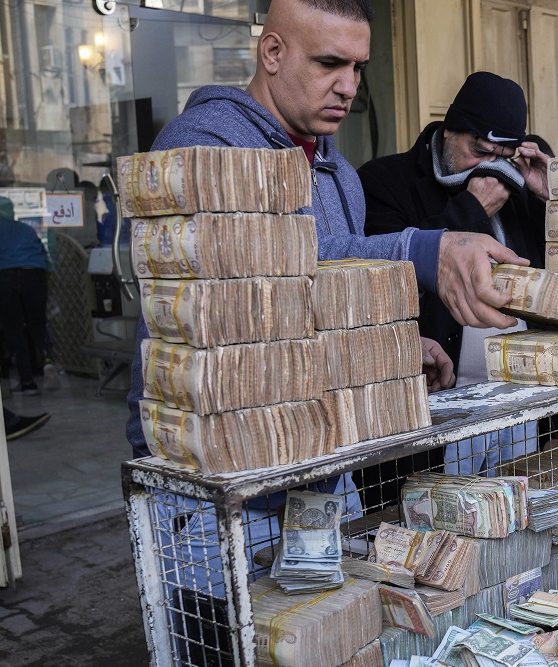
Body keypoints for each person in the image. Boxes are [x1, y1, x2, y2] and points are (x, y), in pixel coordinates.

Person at [125, 0, 528, 460]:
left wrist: (393, 346)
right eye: (330, 63)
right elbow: (256, 274)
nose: (349, 86)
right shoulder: (204, 144)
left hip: (319, 437)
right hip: (210, 444)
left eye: (358, 67)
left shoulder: (342, 175)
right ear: (272, 52)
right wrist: (421, 250)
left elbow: (325, 301)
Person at [358, 71, 550, 475]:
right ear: (448, 132)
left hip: (521, 398)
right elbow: (384, 280)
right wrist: (471, 211)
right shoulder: (383, 181)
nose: (489, 169)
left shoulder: (516, 187)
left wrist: (553, 197)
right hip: (439, 404)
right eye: (478, 151)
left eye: (503, 156)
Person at [0, 193, 55, 395]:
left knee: (14, 329)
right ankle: (47, 358)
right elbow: (45, 251)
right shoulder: (26, 229)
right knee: (37, 323)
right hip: (34, 274)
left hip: (4, 276)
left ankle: (27, 382)